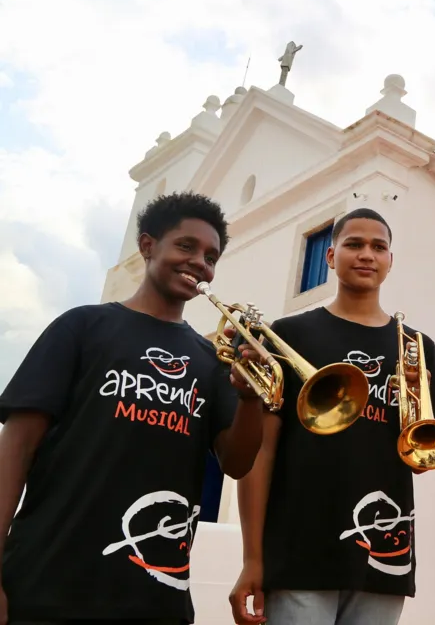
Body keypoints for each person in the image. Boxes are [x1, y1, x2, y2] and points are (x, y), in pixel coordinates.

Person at [0, 191, 268, 625]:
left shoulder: (209, 359)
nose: (200, 262)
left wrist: (251, 396)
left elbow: (236, 463)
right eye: (186, 246)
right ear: (147, 246)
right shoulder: (81, 326)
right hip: (47, 586)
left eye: (211, 256)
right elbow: (15, 450)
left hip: (156, 600)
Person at [229, 207, 435, 625]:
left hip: (385, 553)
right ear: (330, 256)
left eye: (378, 246)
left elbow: (423, 457)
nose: (366, 254)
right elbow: (262, 454)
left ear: (390, 261)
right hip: (298, 550)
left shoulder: (418, 348)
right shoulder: (289, 336)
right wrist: (252, 559)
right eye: (353, 244)